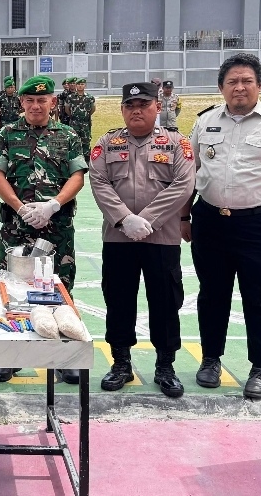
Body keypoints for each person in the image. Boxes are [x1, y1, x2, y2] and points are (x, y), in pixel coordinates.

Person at [184, 53, 261, 400]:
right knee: (211, 293)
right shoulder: (204, 121)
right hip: (210, 221)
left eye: (247, 81)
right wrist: (183, 215)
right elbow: (190, 173)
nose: (239, 87)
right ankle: (210, 359)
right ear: (221, 87)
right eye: (232, 82)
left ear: (260, 85)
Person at [89, 82, 195, 398]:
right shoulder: (107, 143)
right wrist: (125, 219)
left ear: (157, 107)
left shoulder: (176, 143)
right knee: (118, 299)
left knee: (165, 301)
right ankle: (121, 363)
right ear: (122, 110)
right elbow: (99, 181)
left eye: (144, 105)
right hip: (118, 237)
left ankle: (165, 366)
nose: (136, 111)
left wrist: (146, 219)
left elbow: (184, 184)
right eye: (130, 106)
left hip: (161, 238)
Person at [0, 75, 87, 384]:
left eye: (42, 100)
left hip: (57, 228)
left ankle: (65, 357)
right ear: (21, 102)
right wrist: (20, 208)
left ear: (52, 102)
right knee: (11, 289)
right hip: (17, 229)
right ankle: (11, 355)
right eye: (29, 100)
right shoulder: (7, 133)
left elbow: (77, 176)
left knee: (60, 289)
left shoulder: (68, 135)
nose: (36, 105)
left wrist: (53, 205)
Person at [63, 77, 96, 153]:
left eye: (82, 84)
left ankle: (86, 157)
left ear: (85, 86)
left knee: (86, 141)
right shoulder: (70, 97)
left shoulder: (90, 97)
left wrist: (86, 115)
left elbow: (93, 109)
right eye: (78, 84)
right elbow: (67, 109)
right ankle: (75, 156)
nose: (80, 86)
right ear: (76, 86)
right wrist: (72, 116)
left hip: (85, 123)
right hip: (74, 122)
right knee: (73, 140)